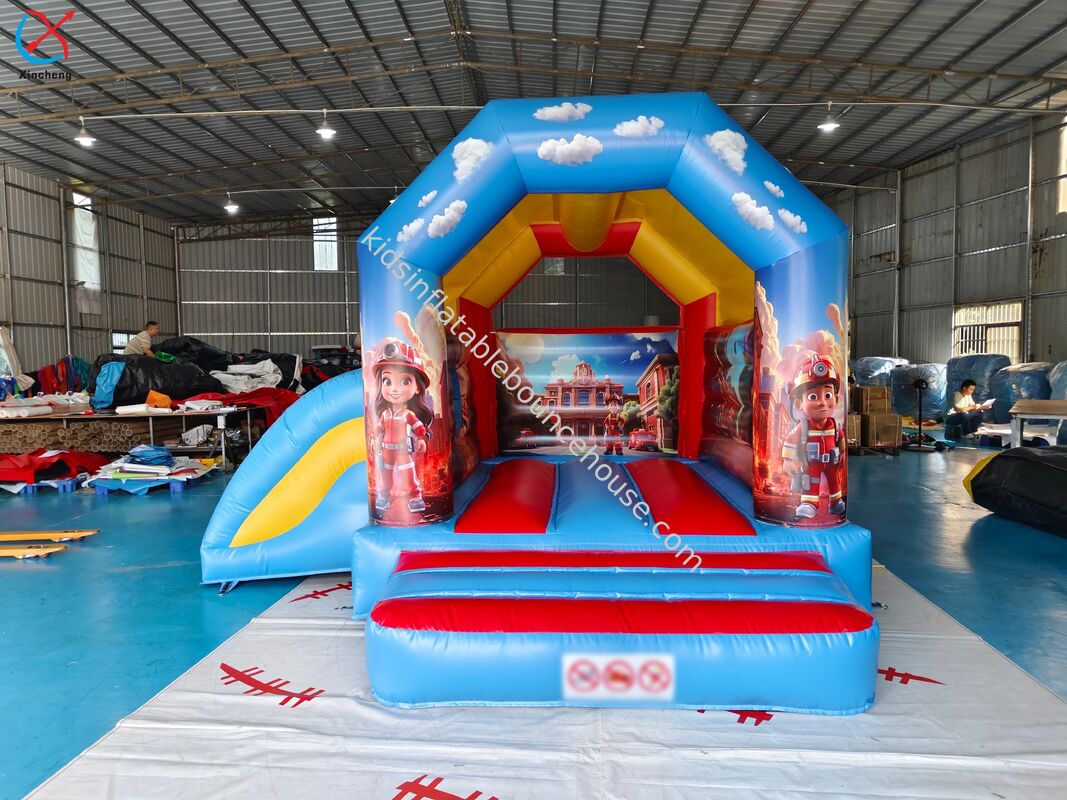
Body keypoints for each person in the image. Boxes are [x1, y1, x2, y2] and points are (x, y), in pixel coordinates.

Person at [371, 337, 433, 514]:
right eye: (387, 381)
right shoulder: (385, 414)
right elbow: (378, 429)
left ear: (417, 387)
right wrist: (374, 439)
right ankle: (384, 495)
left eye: (405, 381)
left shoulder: (408, 414)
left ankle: (415, 497)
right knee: (385, 475)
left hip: (403, 450)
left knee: (408, 474)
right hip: (386, 450)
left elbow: (419, 428)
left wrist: (421, 439)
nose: (394, 389)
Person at [782, 355, 845, 519]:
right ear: (799, 404)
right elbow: (790, 441)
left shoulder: (834, 426)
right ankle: (809, 503)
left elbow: (840, 439)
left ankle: (836, 502)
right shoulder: (803, 427)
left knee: (834, 481)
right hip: (811, 463)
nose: (822, 402)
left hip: (832, 462)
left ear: (836, 399)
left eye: (828, 395)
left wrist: (843, 453)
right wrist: (788, 460)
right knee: (810, 481)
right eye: (813, 397)